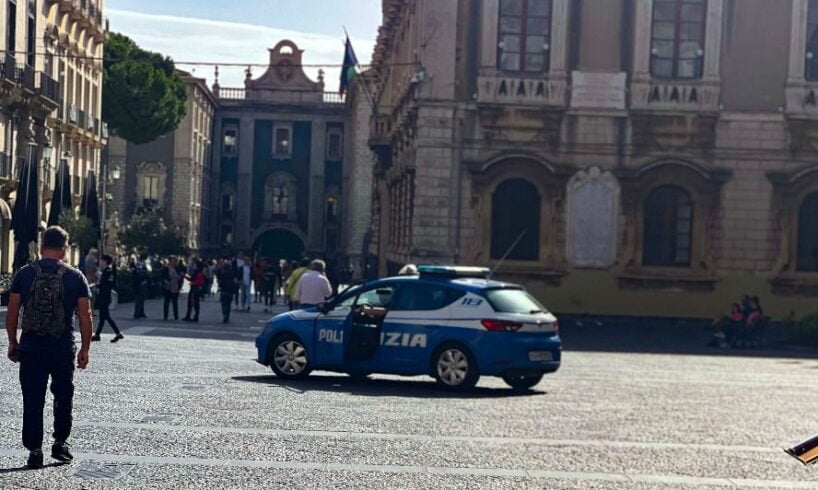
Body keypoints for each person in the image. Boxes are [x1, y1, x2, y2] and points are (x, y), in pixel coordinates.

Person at [5, 226, 92, 469]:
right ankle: (60, 444)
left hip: (31, 347)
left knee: (33, 398)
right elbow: (85, 316)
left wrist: (13, 341)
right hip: (62, 348)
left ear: (42, 246)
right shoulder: (76, 277)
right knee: (63, 396)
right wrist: (85, 349)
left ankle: (34, 450)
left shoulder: (24, 274)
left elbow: (13, 312)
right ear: (65, 249)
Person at [92, 254, 123, 343]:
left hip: (104, 296)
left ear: (105, 261)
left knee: (106, 317)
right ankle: (97, 335)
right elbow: (110, 284)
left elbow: (104, 285)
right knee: (103, 317)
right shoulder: (110, 271)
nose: (100, 262)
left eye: (101, 260)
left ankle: (118, 333)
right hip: (106, 296)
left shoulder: (106, 271)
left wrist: (96, 285)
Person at [132, 254, 150, 319]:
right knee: (139, 299)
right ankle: (137, 313)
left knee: (141, 299)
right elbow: (141, 273)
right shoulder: (140, 264)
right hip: (140, 283)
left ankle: (140, 312)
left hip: (141, 283)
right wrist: (145, 278)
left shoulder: (141, 263)